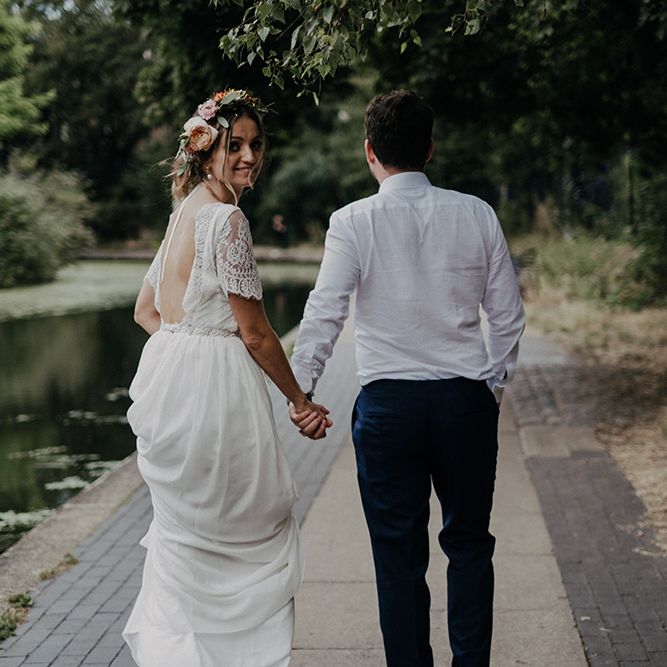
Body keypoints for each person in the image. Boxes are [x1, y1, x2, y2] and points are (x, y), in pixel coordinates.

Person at [289, 90, 525, 666]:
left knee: (397, 560)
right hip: (463, 401)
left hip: (388, 409)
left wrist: (301, 391)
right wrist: (488, 389)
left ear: (370, 151)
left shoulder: (351, 222)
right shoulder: (477, 213)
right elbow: (509, 316)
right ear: (431, 148)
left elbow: (325, 312)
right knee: (469, 545)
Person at [123, 89, 331, 667]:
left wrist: (183, 360)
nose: (248, 157)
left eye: (256, 145)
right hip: (219, 404)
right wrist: (300, 401)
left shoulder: (182, 211)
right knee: (246, 535)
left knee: (186, 540)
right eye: (234, 145)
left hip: (174, 390)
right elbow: (258, 333)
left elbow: (147, 313)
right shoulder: (226, 219)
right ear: (205, 147)